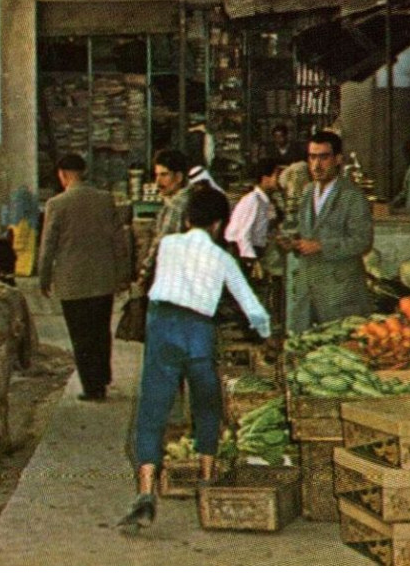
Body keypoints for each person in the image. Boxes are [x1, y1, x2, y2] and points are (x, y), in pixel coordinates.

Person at [118, 185, 272, 532]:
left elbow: (155, 278)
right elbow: (252, 308)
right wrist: (265, 334)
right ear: (219, 225)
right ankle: (206, 481)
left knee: (152, 409)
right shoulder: (223, 258)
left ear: (187, 218)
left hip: (161, 326)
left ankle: (145, 492)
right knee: (206, 405)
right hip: (198, 330)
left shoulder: (169, 245)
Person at [38, 154, 131, 402]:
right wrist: (123, 274)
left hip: (72, 281)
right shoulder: (105, 199)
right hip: (103, 279)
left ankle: (92, 386)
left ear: (63, 174)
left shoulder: (57, 204)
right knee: (101, 331)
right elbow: (119, 240)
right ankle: (102, 378)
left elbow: (48, 245)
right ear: (84, 171)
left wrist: (44, 277)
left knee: (81, 334)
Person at [284, 131, 373, 334]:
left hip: (339, 292)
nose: (316, 165)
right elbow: (306, 230)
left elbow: (362, 241)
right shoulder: (307, 192)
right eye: (312, 157)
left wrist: (321, 246)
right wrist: (292, 241)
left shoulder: (352, 196)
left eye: (323, 157)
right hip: (308, 287)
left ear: (338, 159)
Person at [136, 149, 192, 287]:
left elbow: (160, 243)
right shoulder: (191, 196)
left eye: (164, 175)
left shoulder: (175, 206)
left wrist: (143, 275)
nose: (158, 181)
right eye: (156, 175)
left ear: (178, 177)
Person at [224, 158, 279, 264]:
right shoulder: (253, 200)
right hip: (241, 251)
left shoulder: (265, 200)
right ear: (265, 179)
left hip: (253, 249)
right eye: (276, 175)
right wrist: (252, 261)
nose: (280, 179)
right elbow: (244, 234)